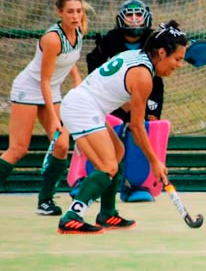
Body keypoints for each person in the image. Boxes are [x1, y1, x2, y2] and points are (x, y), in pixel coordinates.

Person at [57, 21, 187, 234]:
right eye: (178, 59)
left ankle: (107, 213)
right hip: (83, 108)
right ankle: (72, 216)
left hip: (88, 107)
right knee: (108, 166)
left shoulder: (137, 57)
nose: (179, 65)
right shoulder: (144, 76)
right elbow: (136, 126)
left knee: (118, 152)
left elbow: (119, 94)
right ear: (162, 52)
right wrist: (155, 162)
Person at [0, 0, 87, 216]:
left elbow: (69, 59)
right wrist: (56, 119)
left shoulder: (80, 30)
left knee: (61, 144)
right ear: (60, 13)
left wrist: (77, 79)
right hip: (30, 89)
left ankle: (45, 201)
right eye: (70, 11)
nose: (76, 16)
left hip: (52, 89)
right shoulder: (52, 39)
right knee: (18, 148)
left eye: (79, 11)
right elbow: (44, 80)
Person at [86, 0, 161, 122]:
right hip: (116, 93)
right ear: (121, 18)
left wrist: (152, 110)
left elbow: (159, 75)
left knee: (148, 126)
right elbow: (94, 60)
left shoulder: (153, 39)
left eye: (138, 14)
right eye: (129, 15)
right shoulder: (112, 38)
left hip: (148, 90)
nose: (134, 18)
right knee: (112, 127)